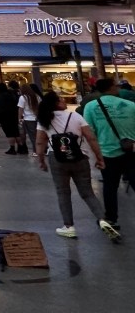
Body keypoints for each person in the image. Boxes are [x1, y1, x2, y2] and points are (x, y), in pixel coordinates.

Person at [34, 90, 116, 240]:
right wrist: (99, 157)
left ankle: (69, 226)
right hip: (80, 158)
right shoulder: (76, 116)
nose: (64, 102)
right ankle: (103, 220)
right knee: (87, 192)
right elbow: (91, 138)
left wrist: (41, 160)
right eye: (61, 100)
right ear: (55, 103)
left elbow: (40, 142)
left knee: (63, 193)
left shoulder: (44, 120)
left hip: (57, 160)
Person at [82, 77, 135, 238]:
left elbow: (89, 133)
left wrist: (95, 155)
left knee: (110, 187)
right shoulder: (131, 105)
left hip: (106, 152)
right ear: (112, 87)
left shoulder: (91, 107)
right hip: (131, 151)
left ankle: (111, 218)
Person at [0, 81, 22, 154]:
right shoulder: (11, 94)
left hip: (5, 117)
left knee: (9, 133)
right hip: (14, 116)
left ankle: (12, 148)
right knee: (16, 132)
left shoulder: (0, 96)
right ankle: (20, 147)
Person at [18, 83, 42, 156]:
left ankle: (36, 151)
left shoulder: (23, 98)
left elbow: (20, 109)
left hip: (28, 119)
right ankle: (42, 149)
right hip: (37, 118)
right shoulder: (36, 96)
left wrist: (19, 119)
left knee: (32, 136)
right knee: (39, 135)